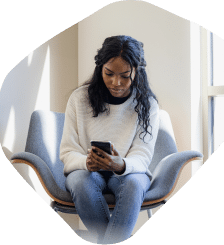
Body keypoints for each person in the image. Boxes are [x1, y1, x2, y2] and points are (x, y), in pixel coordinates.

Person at [60, 35, 159, 244]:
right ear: (100, 68)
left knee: (132, 185)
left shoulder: (147, 105)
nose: (116, 83)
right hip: (87, 171)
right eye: (109, 74)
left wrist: (121, 164)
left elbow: (143, 154)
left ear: (137, 71)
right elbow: (68, 151)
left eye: (125, 75)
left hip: (130, 172)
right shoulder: (79, 99)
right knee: (79, 183)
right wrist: (86, 162)